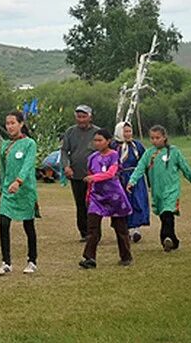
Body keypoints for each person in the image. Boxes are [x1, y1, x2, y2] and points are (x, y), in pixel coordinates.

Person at [127, 125, 191, 252]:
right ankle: (174, 241)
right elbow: (139, 168)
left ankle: (165, 238)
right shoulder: (149, 154)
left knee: (168, 213)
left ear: (164, 137)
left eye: (157, 137)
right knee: (163, 216)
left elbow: (186, 169)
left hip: (172, 190)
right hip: (157, 191)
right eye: (152, 138)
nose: (154, 140)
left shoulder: (174, 152)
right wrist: (132, 181)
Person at [79, 129, 133, 268]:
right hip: (96, 197)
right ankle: (89, 258)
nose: (97, 143)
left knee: (120, 228)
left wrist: (94, 178)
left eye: (100, 140)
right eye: (95, 140)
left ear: (108, 141)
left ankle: (126, 256)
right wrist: (88, 196)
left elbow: (111, 173)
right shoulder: (92, 158)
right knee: (92, 228)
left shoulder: (114, 155)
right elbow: (90, 176)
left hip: (114, 196)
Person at [0, 111, 38, 276]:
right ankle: (6, 262)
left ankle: (32, 260)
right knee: (3, 224)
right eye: (7, 123)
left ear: (21, 124)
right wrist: (1, 191)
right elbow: (4, 170)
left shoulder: (29, 144)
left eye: (13, 123)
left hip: (25, 191)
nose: (10, 126)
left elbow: (28, 165)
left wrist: (19, 181)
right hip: (8, 191)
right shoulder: (5, 145)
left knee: (28, 225)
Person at [60, 105, 99, 241]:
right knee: (80, 204)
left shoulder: (97, 132)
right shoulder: (70, 132)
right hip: (76, 174)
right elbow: (64, 151)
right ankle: (84, 232)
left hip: (94, 175)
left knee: (93, 204)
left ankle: (94, 232)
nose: (81, 120)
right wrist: (66, 166)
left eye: (84, 116)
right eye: (79, 116)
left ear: (90, 117)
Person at [116, 122, 150, 242]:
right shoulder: (115, 146)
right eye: (125, 131)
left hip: (136, 178)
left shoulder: (137, 146)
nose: (128, 134)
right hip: (121, 178)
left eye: (130, 131)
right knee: (124, 203)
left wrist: (149, 179)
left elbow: (145, 162)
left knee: (137, 201)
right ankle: (124, 228)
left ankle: (135, 229)